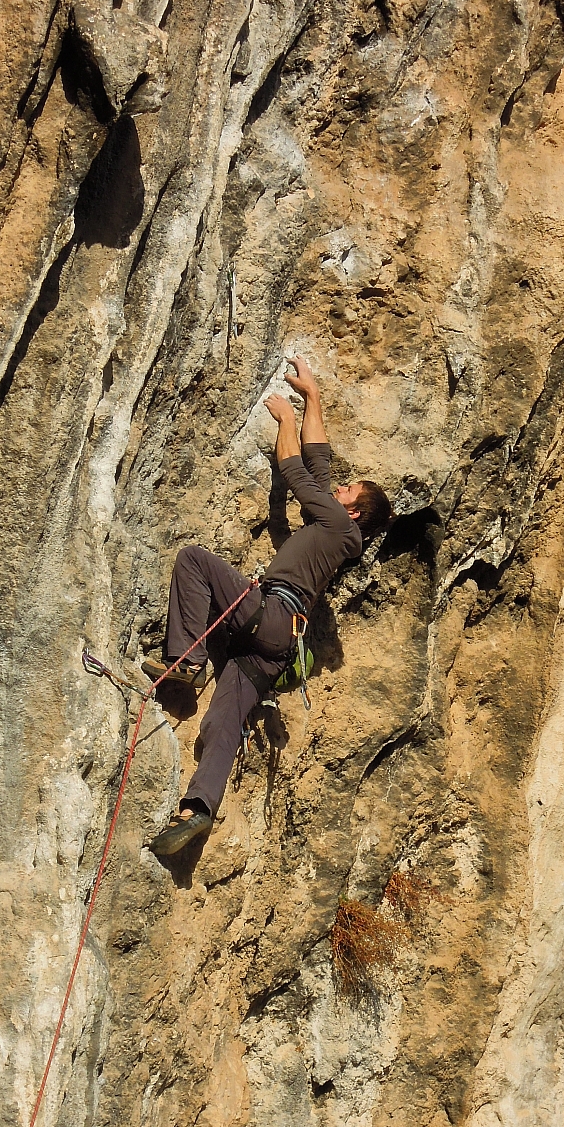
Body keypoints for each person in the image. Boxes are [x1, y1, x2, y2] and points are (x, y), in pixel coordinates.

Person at [144, 357, 393, 855]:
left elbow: (298, 476)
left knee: (194, 560)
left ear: (353, 510)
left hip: (271, 611)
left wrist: (285, 418)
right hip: (275, 645)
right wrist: (313, 398)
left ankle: (188, 662)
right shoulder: (339, 529)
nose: (339, 487)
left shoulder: (341, 527)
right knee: (224, 720)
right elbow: (319, 470)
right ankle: (198, 811)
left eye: (347, 490)